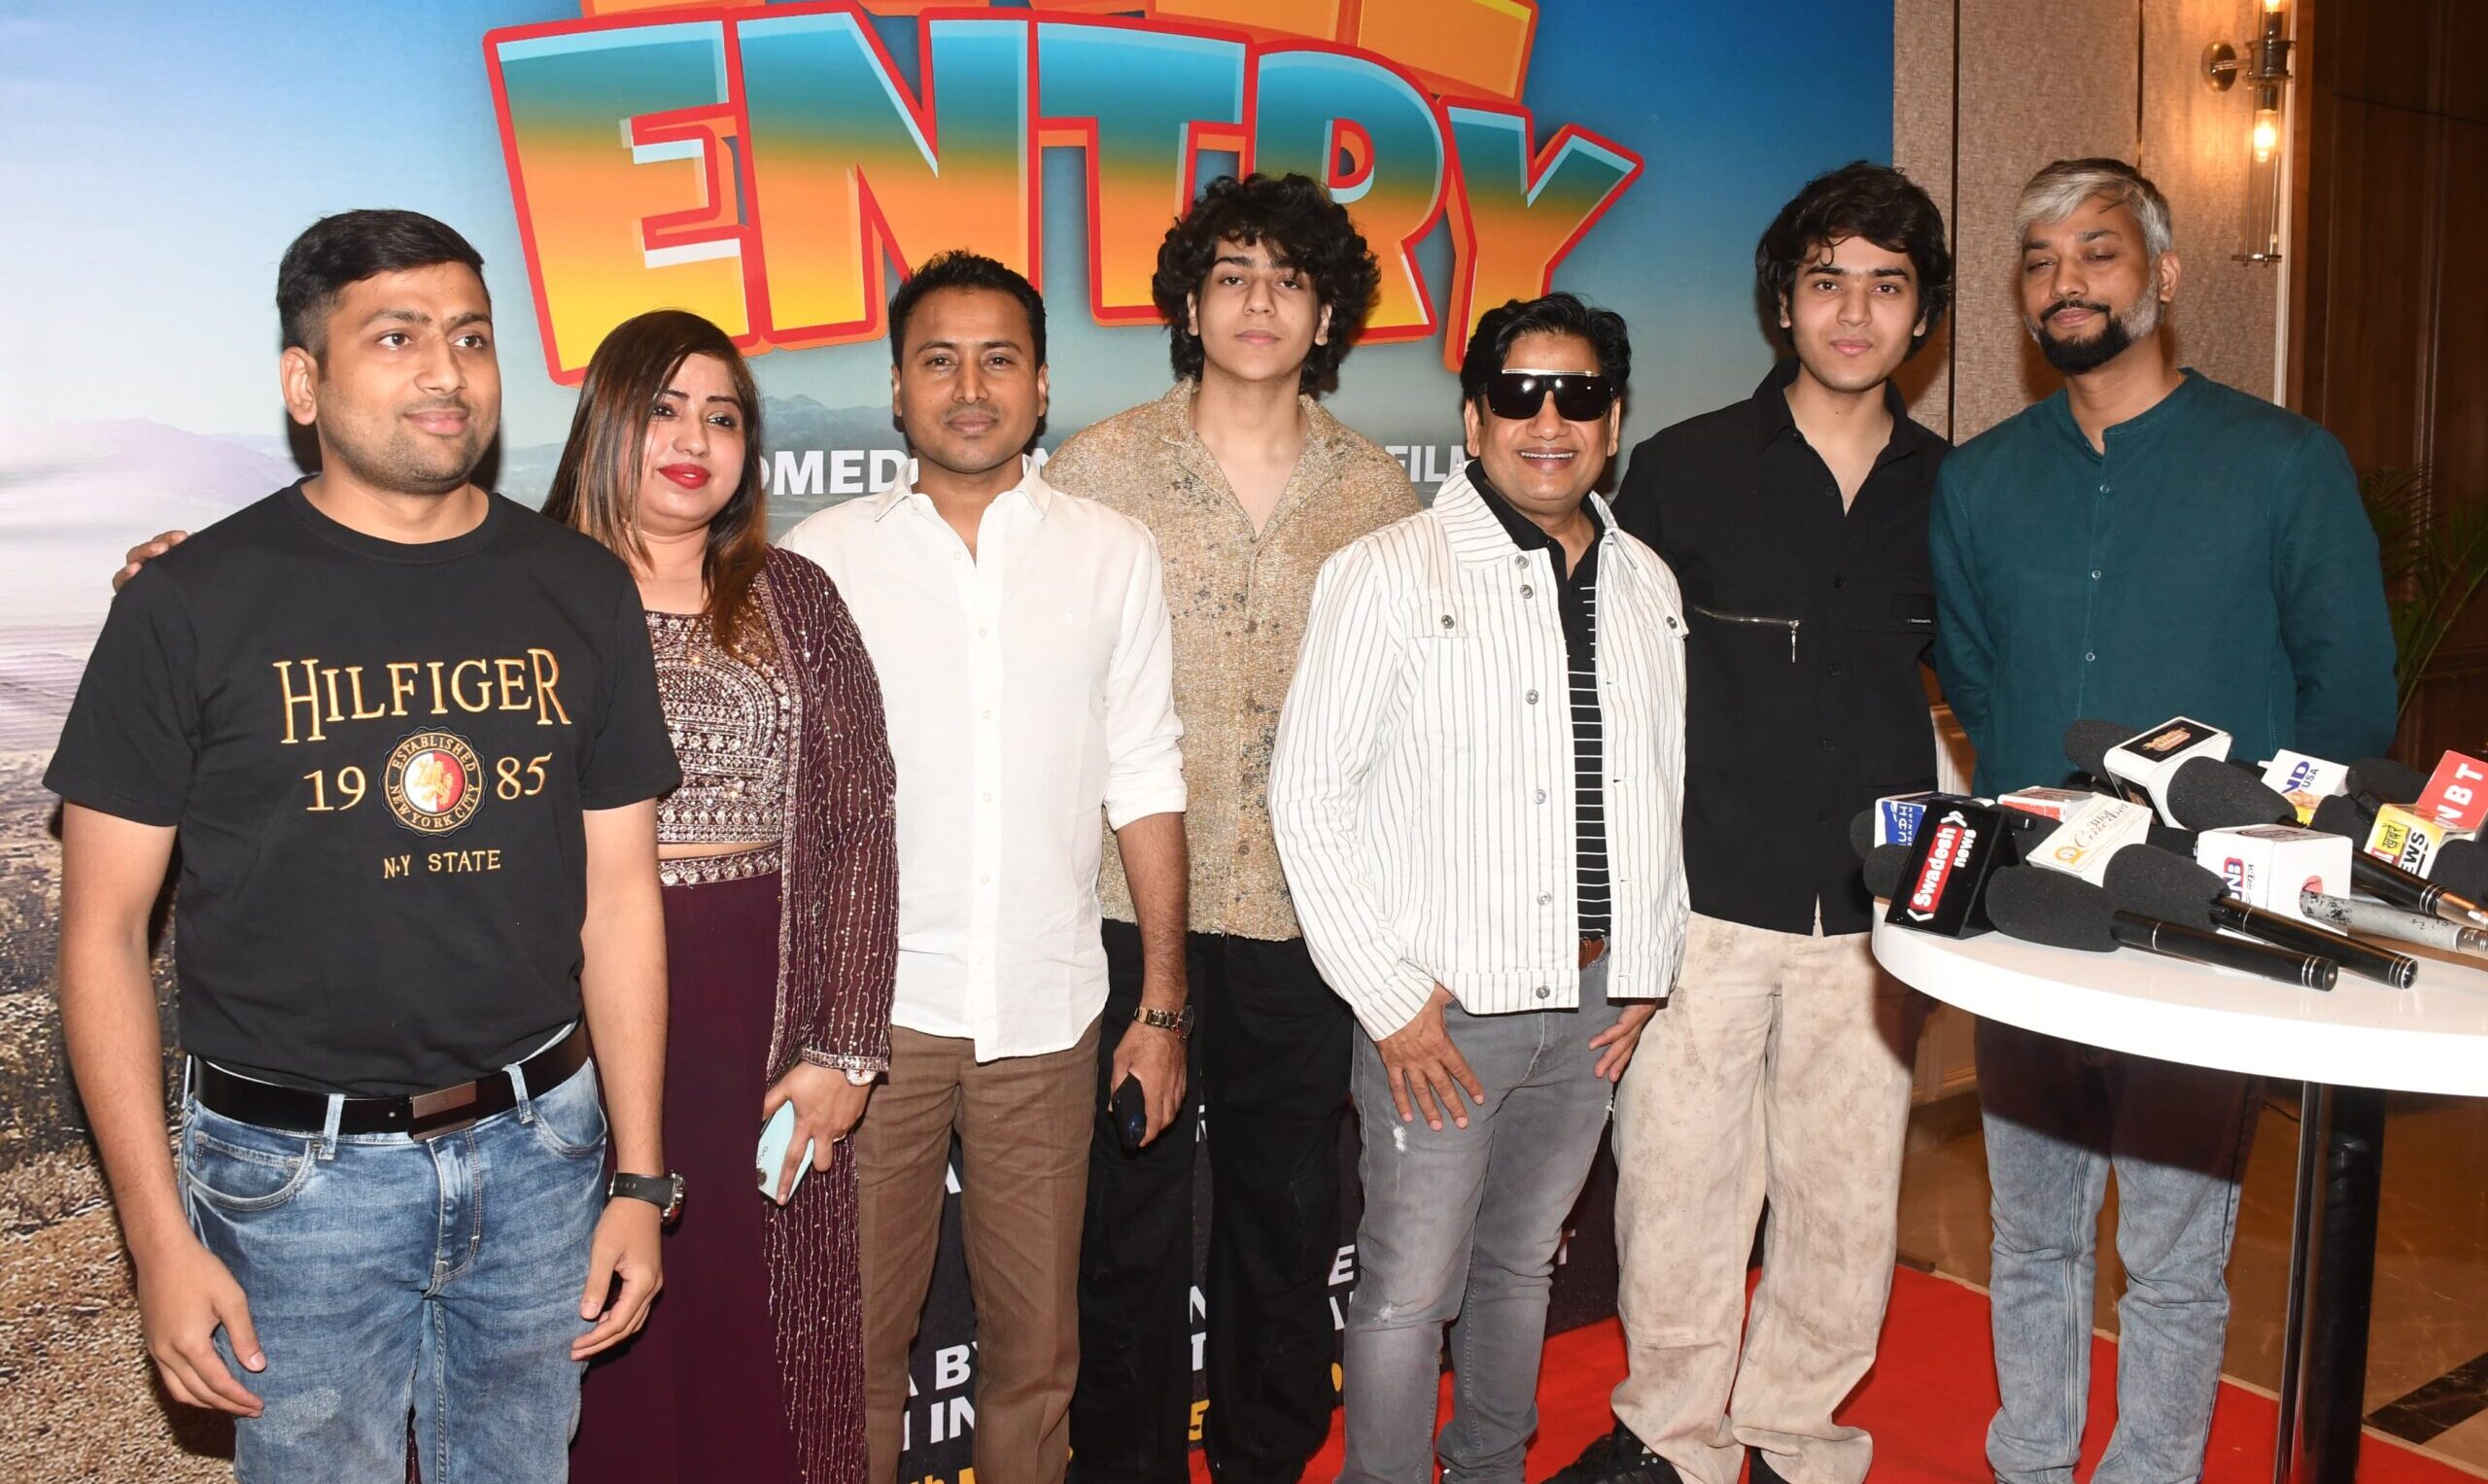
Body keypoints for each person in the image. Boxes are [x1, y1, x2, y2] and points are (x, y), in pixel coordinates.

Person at [52, 209, 678, 1483]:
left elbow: (620, 900)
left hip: (544, 1154)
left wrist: (639, 1176)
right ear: (304, 383)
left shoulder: (581, 589)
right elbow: (103, 934)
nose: (446, 370)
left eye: (471, 337)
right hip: (293, 1183)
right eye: (396, 337)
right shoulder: (187, 603)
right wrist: (156, 1240)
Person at [1929, 157, 2396, 1484]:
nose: (2065, 282)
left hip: (2202, 922)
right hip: (2029, 908)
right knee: (2030, 1235)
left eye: (2098, 252)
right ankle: (2029, 1459)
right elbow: (1975, 675)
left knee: (2174, 1256)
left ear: (2164, 275)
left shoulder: (2284, 464)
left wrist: (2269, 859)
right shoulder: (1979, 482)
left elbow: (2349, 695)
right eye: (2039, 261)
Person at [1549, 162, 1953, 1484]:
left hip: (1874, 921)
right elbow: (1611, 689)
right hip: (1700, 907)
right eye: (1828, 281)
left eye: (1887, 286)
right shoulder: (1681, 469)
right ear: (1783, 301)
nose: (1855, 311)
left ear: (1921, 315)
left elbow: (1982, 687)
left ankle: (1797, 1440)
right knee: (1676, 1195)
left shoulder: (1956, 493)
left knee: (1845, 1200)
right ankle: (1672, 1439)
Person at [778, 252, 1188, 1484]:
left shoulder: (1112, 551)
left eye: (998, 359)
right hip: (870, 1027)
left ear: (1042, 383)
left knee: (1035, 1358)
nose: (969, 388)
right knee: (855, 1353)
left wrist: (1162, 1008)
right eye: (939, 361)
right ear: (898, 389)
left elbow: (1146, 776)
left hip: (1048, 1016)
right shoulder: (821, 557)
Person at [1269, 293, 1691, 1482]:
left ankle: (1492, 1466)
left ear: (1613, 421)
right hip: (1442, 1018)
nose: (1548, 421)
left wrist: (1647, 969)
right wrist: (1388, 1001)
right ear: (1473, 419)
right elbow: (1307, 795)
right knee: (1408, 1290)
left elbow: (1661, 786)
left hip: (1596, 1007)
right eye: (1519, 394)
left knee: (1522, 1265)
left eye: (1578, 396)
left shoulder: (1649, 583)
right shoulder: (1384, 572)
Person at [1041, 171, 1418, 1484]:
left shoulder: (1378, 494)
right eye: (1233, 276)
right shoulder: (1097, 473)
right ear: (1190, 307)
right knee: (1123, 1226)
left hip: (1303, 920)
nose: (1260, 302)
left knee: (1285, 1215)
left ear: (1328, 315)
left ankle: (1264, 1452)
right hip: (1120, 910)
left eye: (1289, 281)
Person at [549, 311, 898, 1482]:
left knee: (758, 1329)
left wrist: (844, 1048)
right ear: (606, 420)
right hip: (569, 1021)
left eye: (722, 416)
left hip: (763, 1009)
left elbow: (859, 822)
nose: (693, 440)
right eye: (663, 410)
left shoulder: (796, 597)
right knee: (579, 1330)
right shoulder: (520, 589)